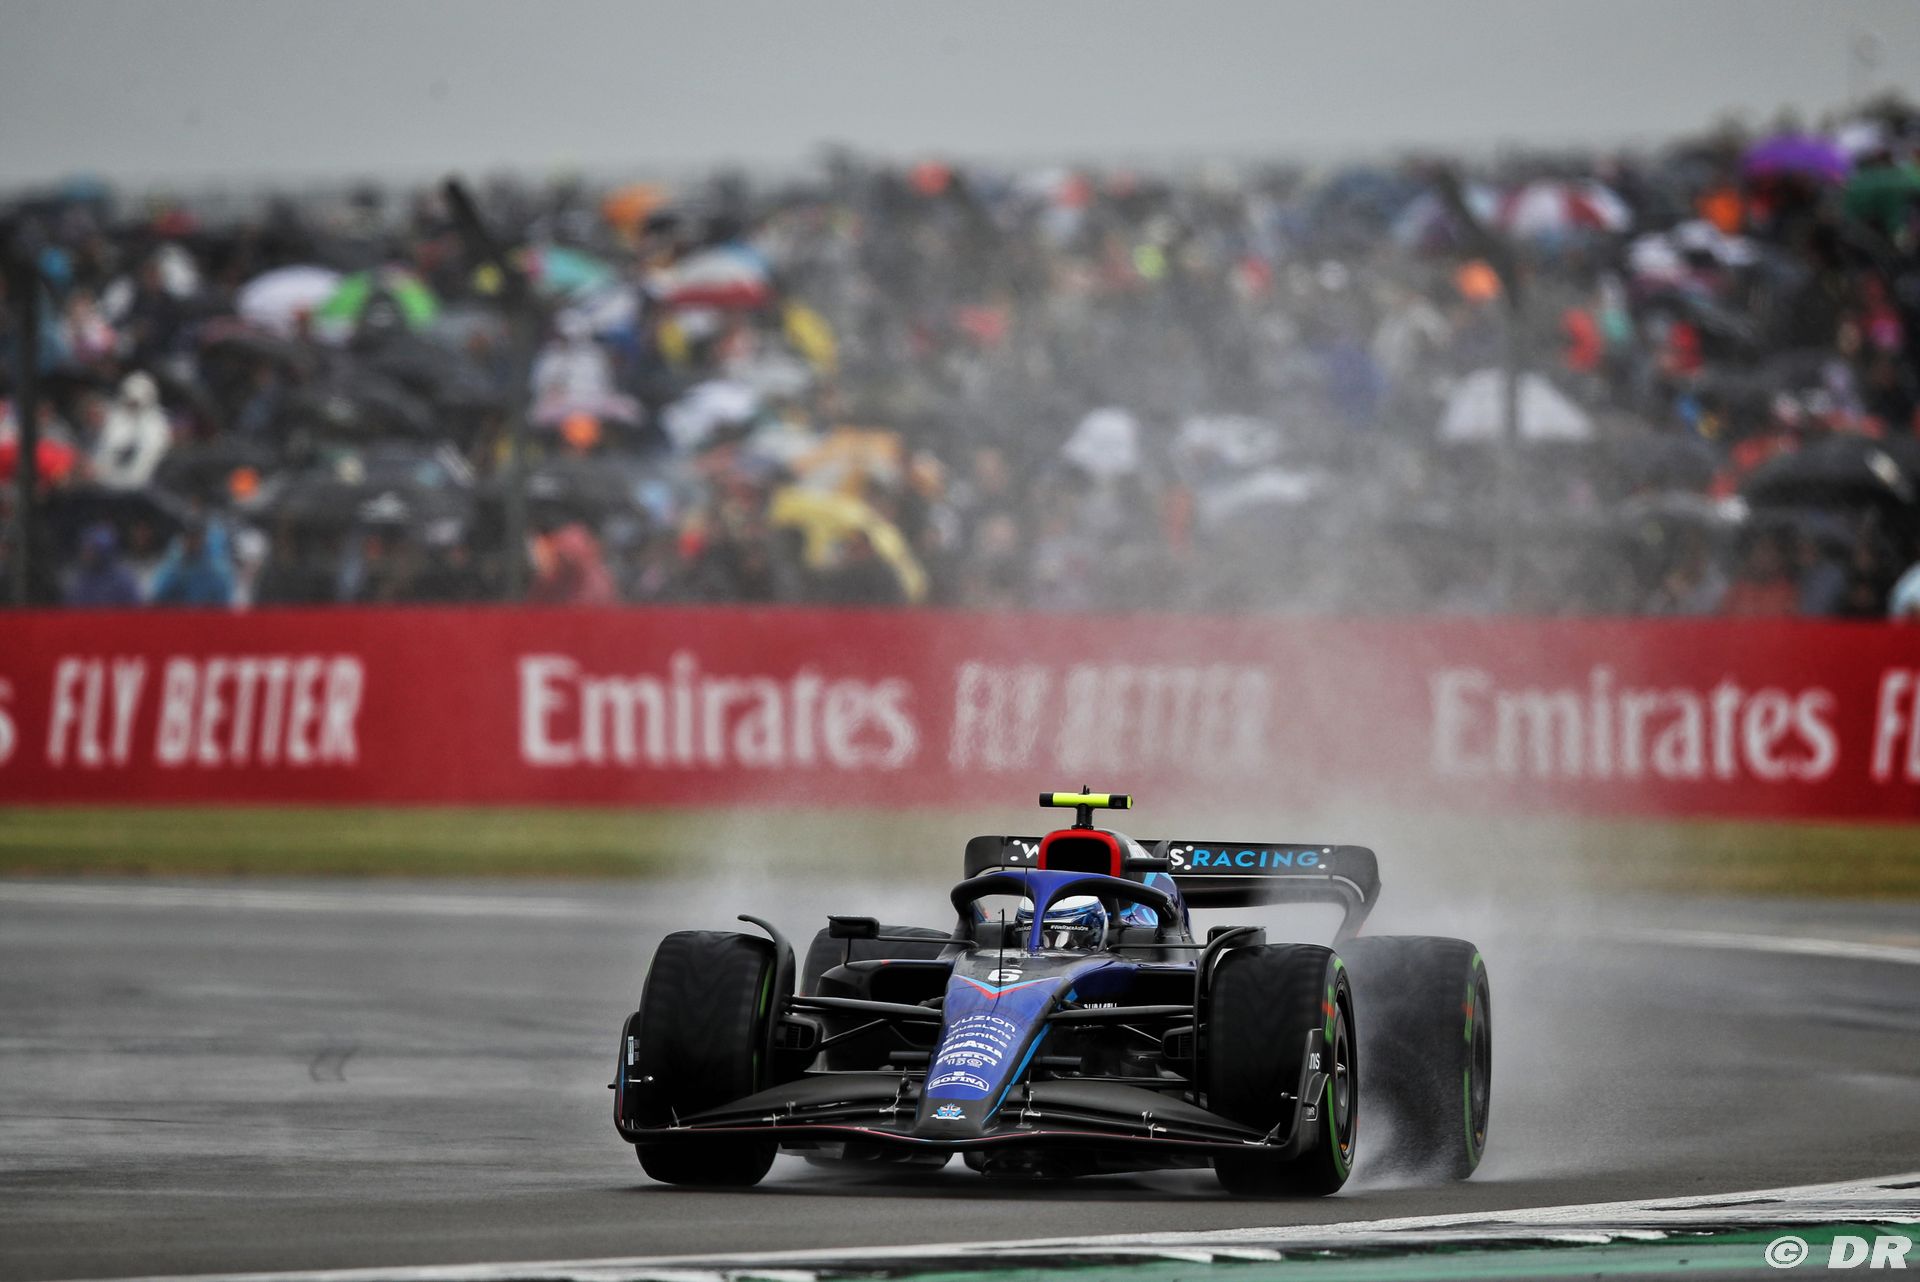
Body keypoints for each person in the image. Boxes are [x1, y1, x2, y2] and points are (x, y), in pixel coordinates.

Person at [149, 518, 235, 607]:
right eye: (188, 537)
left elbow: (223, 602)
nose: (192, 542)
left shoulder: (216, 571)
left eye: (196, 537)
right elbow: (158, 596)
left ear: (203, 539)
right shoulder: (172, 567)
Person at [64, 524, 141, 607]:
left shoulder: (123, 580)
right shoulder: (80, 580)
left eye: (91, 550)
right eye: (85, 549)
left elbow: (135, 609)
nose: (86, 554)